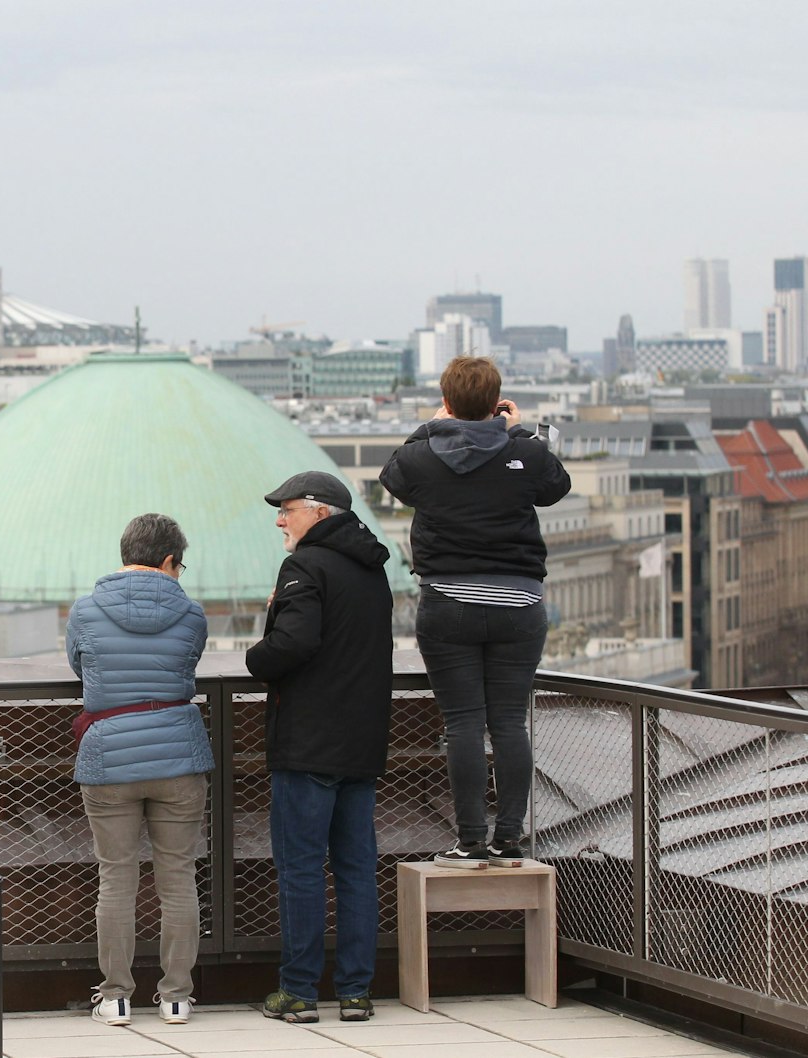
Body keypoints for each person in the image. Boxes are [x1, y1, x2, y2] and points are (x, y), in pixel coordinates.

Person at [379, 356, 571, 869]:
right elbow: (556, 486)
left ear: (446, 400)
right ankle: (510, 836)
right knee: (509, 722)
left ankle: (470, 841)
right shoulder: (524, 453)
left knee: (462, 724)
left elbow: (391, 474)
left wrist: (435, 423)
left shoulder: (422, 457)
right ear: (495, 401)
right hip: (519, 603)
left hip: (448, 603)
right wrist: (517, 431)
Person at [244, 471, 393, 1025]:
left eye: (288, 510)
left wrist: (257, 654)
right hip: (362, 742)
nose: (280, 520)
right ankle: (355, 992)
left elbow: (296, 643)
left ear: (320, 513)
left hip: (308, 745)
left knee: (302, 868)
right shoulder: (372, 568)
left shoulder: (304, 565)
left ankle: (299, 992)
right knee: (356, 869)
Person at [67, 514, 212, 1028]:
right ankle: (175, 996)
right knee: (178, 878)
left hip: (110, 759)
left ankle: (115, 996)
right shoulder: (191, 614)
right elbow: (187, 669)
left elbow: (80, 669)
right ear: (170, 560)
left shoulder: (86, 610)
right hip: (177, 756)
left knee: (117, 879)